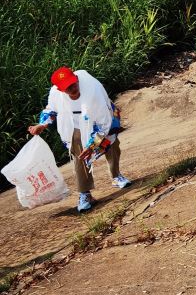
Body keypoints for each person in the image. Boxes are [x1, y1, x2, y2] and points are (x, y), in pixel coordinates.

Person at [28, 67, 129, 213]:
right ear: (60, 90)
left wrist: (92, 145)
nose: (73, 88)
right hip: (75, 122)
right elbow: (51, 110)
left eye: (73, 84)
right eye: (67, 87)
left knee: (111, 144)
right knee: (80, 155)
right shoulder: (56, 93)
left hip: (101, 118)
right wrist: (42, 125)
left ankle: (116, 175)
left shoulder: (93, 90)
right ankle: (85, 193)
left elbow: (103, 125)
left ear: (76, 79)